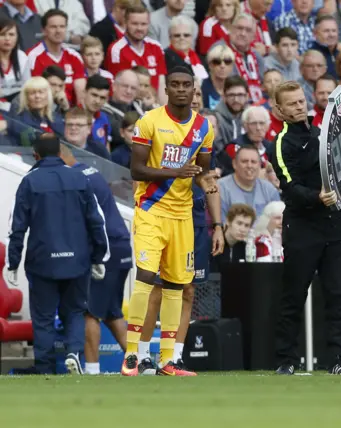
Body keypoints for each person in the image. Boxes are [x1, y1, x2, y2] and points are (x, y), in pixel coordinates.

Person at [121, 66, 224, 377]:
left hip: (182, 215)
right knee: (146, 275)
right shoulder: (149, 121)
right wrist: (175, 173)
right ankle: (132, 354)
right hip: (151, 209)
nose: (181, 89)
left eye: (187, 85)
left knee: (178, 286)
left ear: (195, 90)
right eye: (175, 84)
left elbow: (203, 174)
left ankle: (168, 360)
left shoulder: (203, 127)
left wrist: (217, 222)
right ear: (166, 89)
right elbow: (137, 169)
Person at [4, 134, 109, 375]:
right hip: (78, 260)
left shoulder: (29, 182)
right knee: (74, 311)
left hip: (42, 262)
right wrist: (99, 256)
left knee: (43, 318)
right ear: (61, 153)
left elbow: (16, 227)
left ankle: (45, 367)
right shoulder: (79, 178)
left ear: (36, 155)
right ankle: (74, 352)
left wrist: (12, 263)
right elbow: (96, 221)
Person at [271, 81, 341, 375]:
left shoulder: (324, 135)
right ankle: (286, 359)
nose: (299, 106)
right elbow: (289, 186)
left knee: (338, 296)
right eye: (291, 103)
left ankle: (339, 359)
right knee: (293, 296)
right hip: (302, 226)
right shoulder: (281, 143)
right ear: (279, 110)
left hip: (336, 225)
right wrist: (316, 197)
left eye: (301, 101)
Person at [59, 145, 132, 375]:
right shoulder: (91, 172)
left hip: (106, 249)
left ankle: (92, 370)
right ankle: (139, 364)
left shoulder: (76, 179)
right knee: (113, 313)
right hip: (122, 246)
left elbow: (87, 220)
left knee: (90, 311)